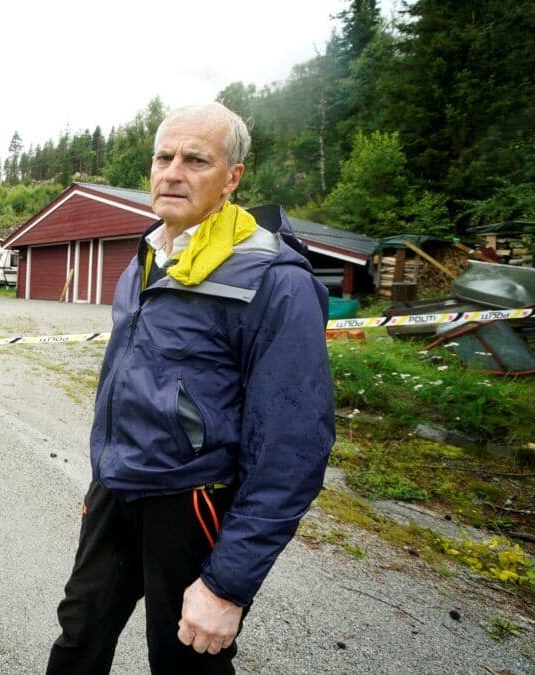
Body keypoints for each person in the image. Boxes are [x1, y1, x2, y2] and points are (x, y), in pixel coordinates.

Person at [46, 102, 335, 674]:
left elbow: (292, 447)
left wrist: (227, 586)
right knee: (79, 638)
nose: (173, 171)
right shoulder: (147, 257)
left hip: (193, 500)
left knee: (185, 662)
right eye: (163, 156)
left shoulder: (274, 281)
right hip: (116, 487)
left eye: (195, 159)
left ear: (233, 177)